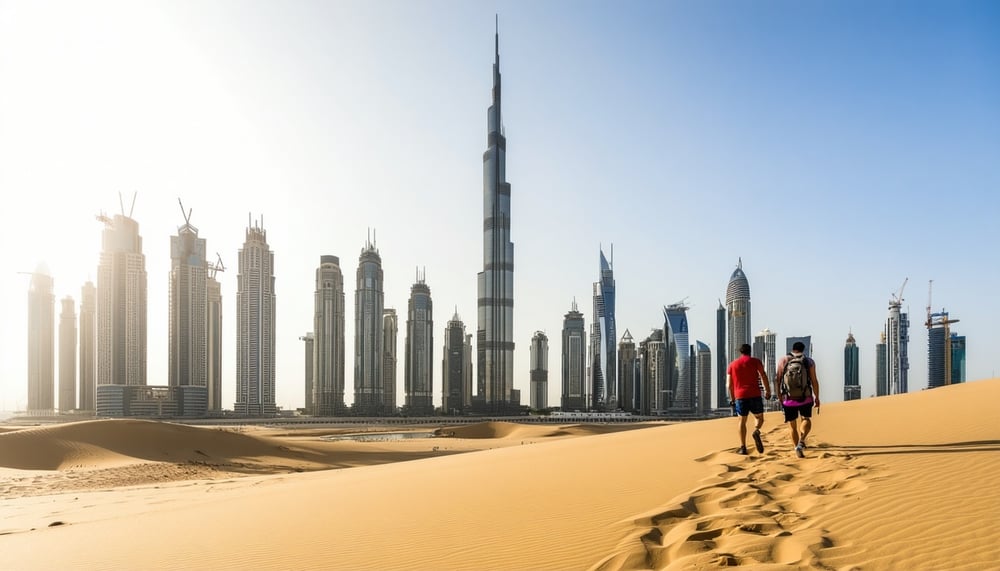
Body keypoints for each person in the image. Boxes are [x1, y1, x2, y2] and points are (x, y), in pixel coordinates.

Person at [774, 341, 820, 458]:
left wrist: (779, 395)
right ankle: (802, 441)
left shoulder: (783, 360)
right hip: (805, 397)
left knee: (792, 425)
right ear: (803, 350)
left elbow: (778, 379)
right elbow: (814, 380)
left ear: (792, 349)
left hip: (788, 399)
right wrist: (817, 397)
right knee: (806, 419)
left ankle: (796, 448)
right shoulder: (808, 361)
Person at [727, 343, 771, 455]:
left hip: (740, 396)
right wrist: (768, 391)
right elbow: (763, 375)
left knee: (742, 421)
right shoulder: (756, 361)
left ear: (740, 352)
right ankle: (756, 431)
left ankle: (743, 447)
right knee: (759, 417)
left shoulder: (732, 365)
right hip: (755, 394)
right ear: (750, 351)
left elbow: (729, 385)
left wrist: (732, 398)